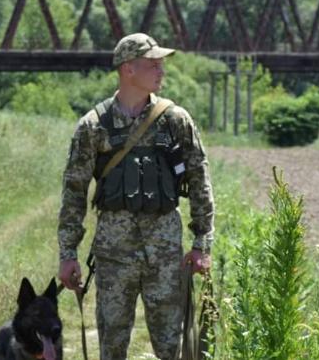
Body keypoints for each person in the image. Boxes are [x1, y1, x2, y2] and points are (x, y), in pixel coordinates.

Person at [57, 33, 214, 360]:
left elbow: (199, 179)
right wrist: (68, 253)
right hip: (114, 255)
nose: (161, 71)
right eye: (152, 64)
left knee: (172, 347)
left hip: (165, 255)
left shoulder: (175, 120)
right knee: (112, 347)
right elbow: (74, 190)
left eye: (161, 64)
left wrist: (202, 245)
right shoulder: (94, 125)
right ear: (128, 69)